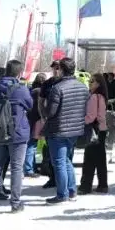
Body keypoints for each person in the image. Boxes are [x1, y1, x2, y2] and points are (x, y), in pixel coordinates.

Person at [0, 60, 33, 213]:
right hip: (17, 131)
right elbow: (30, 105)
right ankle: (15, 203)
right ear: (19, 73)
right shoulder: (21, 89)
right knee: (16, 168)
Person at [43, 57, 90, 204]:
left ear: (62, 70)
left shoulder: (57, 88)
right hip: (75, 130)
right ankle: (72, 191)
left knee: (59, 163)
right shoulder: (83, 87)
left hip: (58, 130)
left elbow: (50, 112)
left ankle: (62, 195)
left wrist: (44, 108)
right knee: (67, 161)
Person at [78, 73, 109, 194]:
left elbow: (91, 117)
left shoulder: (94, 97)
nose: (89, 83)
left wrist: (80, 121)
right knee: (100, 159)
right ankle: (103, 184)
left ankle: (85, 186)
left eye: (92, 81)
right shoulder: (102, 96)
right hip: (101, 129)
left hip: (93, 130)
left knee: (89, 159)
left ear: (98, 84)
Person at [39, 61, 63, 189]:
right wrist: (43, 117)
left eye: (58, 68)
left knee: (64, 154)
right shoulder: (47, 84)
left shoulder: (66, 82)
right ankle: (52, 178)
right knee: (49, 152)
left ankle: (63, 181)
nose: (56, 71)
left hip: (65, 122)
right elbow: (40, 101)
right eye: (54, 68)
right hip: (50, 121)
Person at [24, 74, 45, 178]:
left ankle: (31, 166)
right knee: (32, 145)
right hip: (37, 121)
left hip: (30, 120)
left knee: (31, 144)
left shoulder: (31, 90)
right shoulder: (40, 92)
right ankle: (29, 169)